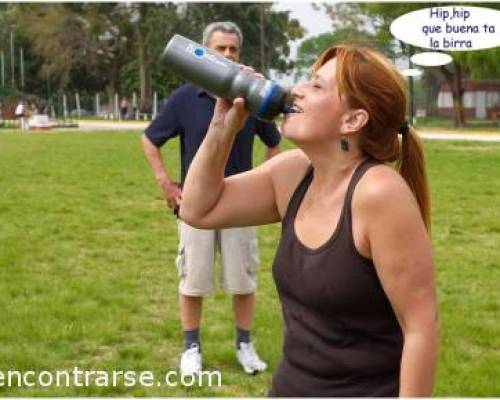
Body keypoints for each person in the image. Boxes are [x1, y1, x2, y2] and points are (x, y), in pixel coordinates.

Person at [180, 45, 439, 396]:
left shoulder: (379, 194)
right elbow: (198, 210)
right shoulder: (292, 174)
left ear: (353, 120)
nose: (296, 89)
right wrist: (221, 128)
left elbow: (421, 327)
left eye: (317, 86)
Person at [141, 21, 281, 377]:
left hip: (241, 206)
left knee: (243, 279)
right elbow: (149, 139)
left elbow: (274, 141)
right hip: (196, 206)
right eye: (221, 49)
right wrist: (166, 183)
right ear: (205, 53)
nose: (229, 55)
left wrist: (265, 183)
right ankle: (191, 349)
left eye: (234, 49)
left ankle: (244, 345)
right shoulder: (185, 98)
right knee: (193, 278)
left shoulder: (248, 99)